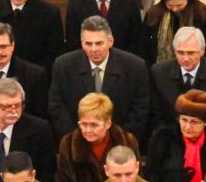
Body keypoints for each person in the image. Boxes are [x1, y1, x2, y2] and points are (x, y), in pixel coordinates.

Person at [48, 15, 151, 143]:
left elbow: (140, 109)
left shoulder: (134, 67)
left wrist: (119, 140)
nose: (94, 49)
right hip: (77, 142)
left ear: (110, 41)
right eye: (88, 44)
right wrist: (78, 138)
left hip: (120, 143)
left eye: (99, 43)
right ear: (81, 43)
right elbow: (56, 106)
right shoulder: (64, 65)